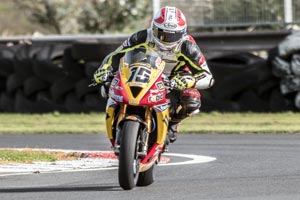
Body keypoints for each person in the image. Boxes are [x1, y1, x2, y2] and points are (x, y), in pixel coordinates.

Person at [93, 6, 214, 146]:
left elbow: (207, 77)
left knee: (192, 99)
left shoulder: (188, 46)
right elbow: (115, 55)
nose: (167, 41)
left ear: (182, 33)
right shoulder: (141, 37)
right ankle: (117, 119)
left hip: (174, 78)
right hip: (143, 71)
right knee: (107, 85)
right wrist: (104, 69)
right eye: (162, 34)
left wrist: (189, 80)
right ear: (153, 28)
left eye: (173, 36)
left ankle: (172, 123)